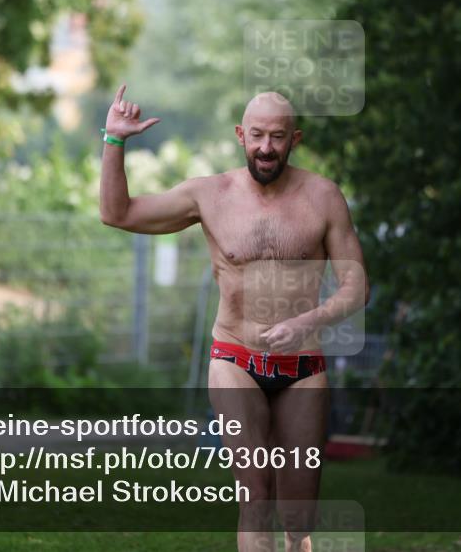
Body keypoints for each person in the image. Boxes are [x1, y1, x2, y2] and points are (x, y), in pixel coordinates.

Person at [99, 84, 369, 552]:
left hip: (303, 368)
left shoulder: (323, 198)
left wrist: (308, 323)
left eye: (278, 137)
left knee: (300, 514)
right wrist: (115, 140)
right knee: (254, 491)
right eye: (258, 135)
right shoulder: (210, 195)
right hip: (234, 358)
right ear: (241, 135)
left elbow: (357, 284)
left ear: (295, 139)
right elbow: (116, 213)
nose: (267, 147)